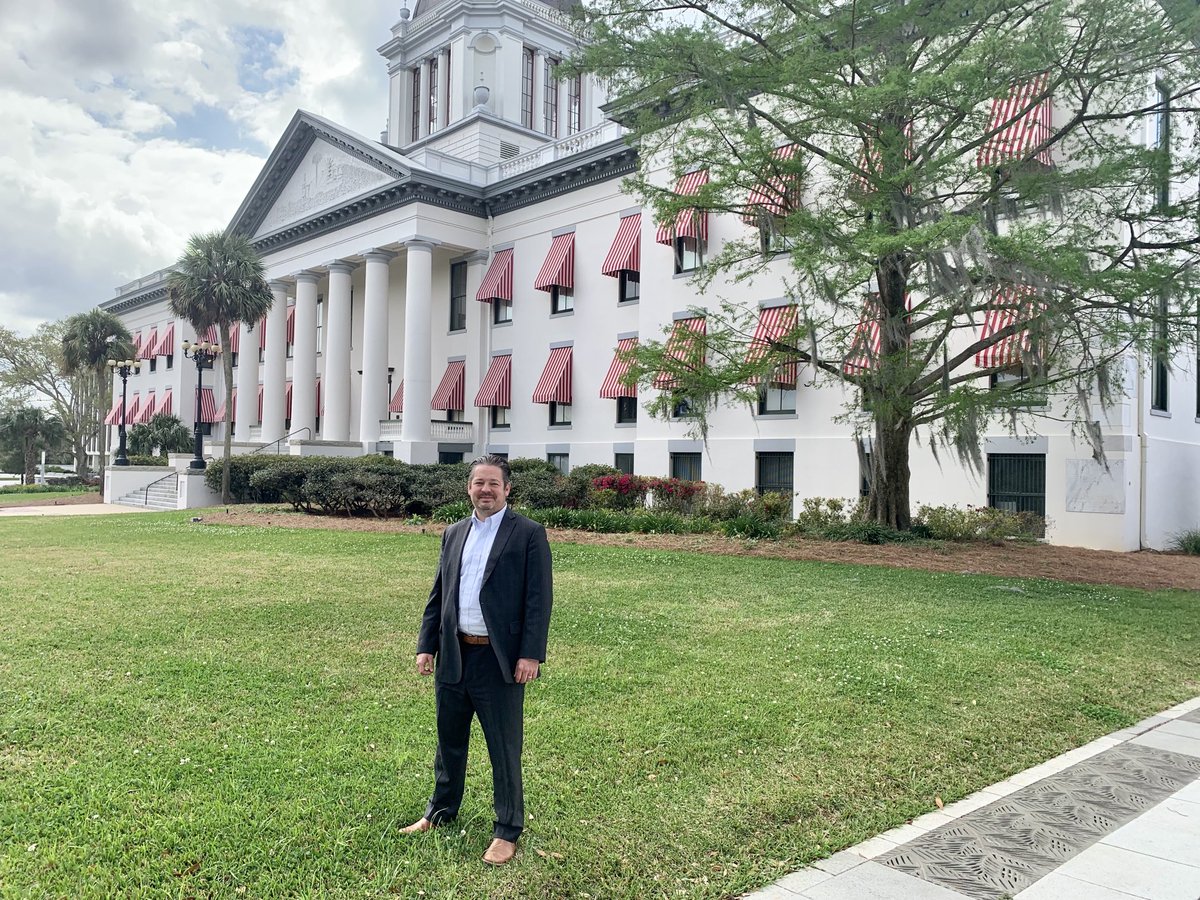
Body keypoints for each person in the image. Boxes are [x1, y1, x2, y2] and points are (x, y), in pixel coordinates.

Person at [401, 455, 553, 866]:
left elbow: (538, 599)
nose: (485, 490)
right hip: (454, 654)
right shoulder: (454, 533)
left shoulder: (528, 534)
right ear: (469, 488)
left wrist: (530, 653)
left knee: (503, 747)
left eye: (493, 484)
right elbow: (439, 593)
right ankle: (440, 811)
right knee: (449, 740)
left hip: (498, 660)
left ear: (507, 489)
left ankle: (507, 830)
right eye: (478, 483)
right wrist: (426, 645)